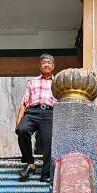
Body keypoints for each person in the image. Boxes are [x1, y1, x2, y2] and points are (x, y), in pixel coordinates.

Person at [15, 54, 56, 182]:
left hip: (49, 113)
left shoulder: (58, 83)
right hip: (32, 112)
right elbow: (24, 103)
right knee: (22, 130)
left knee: (49, 142)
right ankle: (30, 162)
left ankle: (45, 174)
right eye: (44, 62)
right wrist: (18, 121)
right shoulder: (32, 82)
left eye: (49, 62)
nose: (46, 64)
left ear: (53, 66)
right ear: (40, 66)